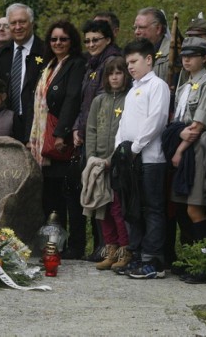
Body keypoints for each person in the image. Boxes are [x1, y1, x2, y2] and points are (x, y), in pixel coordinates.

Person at [30, 20, 86, 259]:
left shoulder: (76, 64)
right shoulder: (51, 65)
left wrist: (61, 133)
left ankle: (76, 244)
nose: (58, 43)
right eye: (54, 39)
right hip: (44, 139)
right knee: (52, 195)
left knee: (70, 196)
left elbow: (73, 98)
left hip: (62, 140)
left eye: (63, 39)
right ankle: (55, 243)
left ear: (71, 41)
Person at [115, 38, 170, 279]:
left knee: (152, 208)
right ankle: (136, 254)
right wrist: (120, 149)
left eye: (134, 61)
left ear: (149, 59)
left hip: (149, 158)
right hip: (131, 158)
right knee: (133, 208)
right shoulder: (133, 89)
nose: (130, 67)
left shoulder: (157, 86)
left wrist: (136, 146)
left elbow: (156, 119)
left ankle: (153, 260)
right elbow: (124, 122)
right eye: (128, 62)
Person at [164, 37, 206, 284]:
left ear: (205, 58)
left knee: (196, 207)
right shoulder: (184, 86)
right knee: (183, 208)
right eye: (185, 55)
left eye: (193, 55)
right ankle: (193, 259)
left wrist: (178, 150)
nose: (187, 59)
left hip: (196, 151)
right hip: (182, 152)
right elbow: (177, 121)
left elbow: (198, 125)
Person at [73, 19, 121, 262]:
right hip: (89, 137)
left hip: (107, 142)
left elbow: (103, 104)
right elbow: (86, 102)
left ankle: (109, 247)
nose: (91, 44)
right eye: (88, 40)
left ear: (108, 40)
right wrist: (77, 127)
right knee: (94, 191)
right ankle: (102, 247)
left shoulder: (111, 63)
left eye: (96, 40)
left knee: (107, 198)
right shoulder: (92, 63)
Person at [84, 57, 132, 270]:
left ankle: (125, 250)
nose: (115, 77)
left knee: (117, 209)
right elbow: (91, 129)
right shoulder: (99, 101)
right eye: (111, 73)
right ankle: (110, 250)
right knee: (101, 207)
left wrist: (111, 160)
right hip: (98, 164)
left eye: (119, 72)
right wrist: (92, 158)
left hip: (118, 164)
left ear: (126, 75)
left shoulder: (129, 98)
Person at [0, 3, 47, 144]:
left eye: (22, 22)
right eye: (13, 23)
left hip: (36, 125)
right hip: (4, 126)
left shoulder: (46, 52)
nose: (18, 27)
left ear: (32, 23)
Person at [133, 7, 171, 84]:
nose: (136, 32)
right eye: (135, 28)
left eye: (142, 27)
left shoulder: (172, 53)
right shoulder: (134, 53)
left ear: (158, 29)